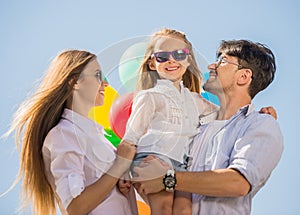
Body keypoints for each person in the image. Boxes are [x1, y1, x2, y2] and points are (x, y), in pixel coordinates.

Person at [133, 39, 284, 215]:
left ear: (243, 76)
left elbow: (238, 183)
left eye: (224, 61)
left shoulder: (260, 124)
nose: (212, 66)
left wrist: (167, 178)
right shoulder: (194, 124)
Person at [6, 50, 137, 215]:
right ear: (74, 82)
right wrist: (119, 165)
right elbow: (75, 207)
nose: (106, 84)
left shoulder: (100, 138)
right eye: (98, 75)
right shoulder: (63, 134)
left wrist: (121, 179)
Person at [120, 28, 217, 215]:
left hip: (182, 165)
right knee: (163, 209)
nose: (172, 60)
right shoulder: (149, 96)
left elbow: (226, 116)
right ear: (151, 63)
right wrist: (122, 171)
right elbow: (131, 136)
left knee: (184, 210)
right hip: (153, 157)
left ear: (188, 60)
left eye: (179, 54)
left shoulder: (195, 101)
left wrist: (258, 113)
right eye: (163, 56)